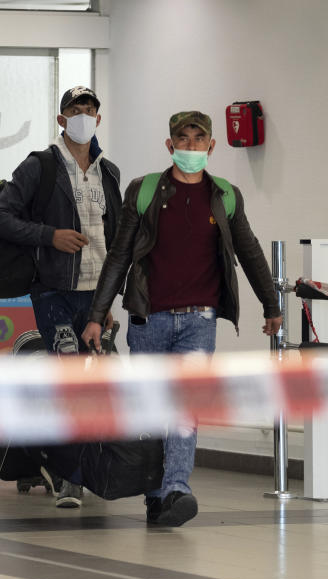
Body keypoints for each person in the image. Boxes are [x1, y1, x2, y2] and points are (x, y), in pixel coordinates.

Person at [82, 110, 282, 527]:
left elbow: (250, 253)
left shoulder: (226, 196)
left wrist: (271, 305)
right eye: (182, 139)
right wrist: (97, 316)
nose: (190, 147)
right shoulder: (145, 191)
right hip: (148, 318)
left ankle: (176, 488)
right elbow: (119, 256)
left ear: (211, 146)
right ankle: (158, 496)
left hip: (199, 320)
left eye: (198, 139)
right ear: (170, 146)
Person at [0, 86, 122, 508]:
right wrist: (50, 236)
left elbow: (117, 241)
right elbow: (0, 216)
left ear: (98, 120)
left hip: (97, 294)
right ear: (61, 119)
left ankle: (79, 464)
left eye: (90, 109)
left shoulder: (109, 173)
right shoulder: (41, 166)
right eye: (75, 109)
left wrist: (109, 303)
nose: (83, 115)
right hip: (53, 289)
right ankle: (70, 477)